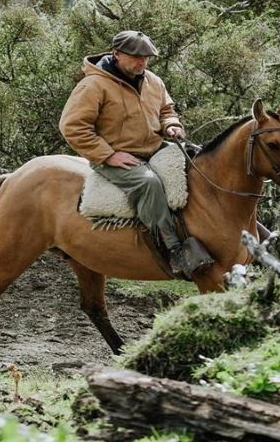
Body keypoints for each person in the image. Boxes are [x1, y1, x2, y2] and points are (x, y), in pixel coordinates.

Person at [59, 30, 195, 277]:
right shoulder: (93, 85)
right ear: (116, 54)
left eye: (146, 57)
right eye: (135, 56)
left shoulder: (154, 81)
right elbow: (72, 127)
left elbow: (167, 109)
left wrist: (171, 124)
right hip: (115, 156)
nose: (142, 62)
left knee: (196, 164)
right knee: (149, 183)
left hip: (154, 148)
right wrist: (108, 155)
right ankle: (172, 249)